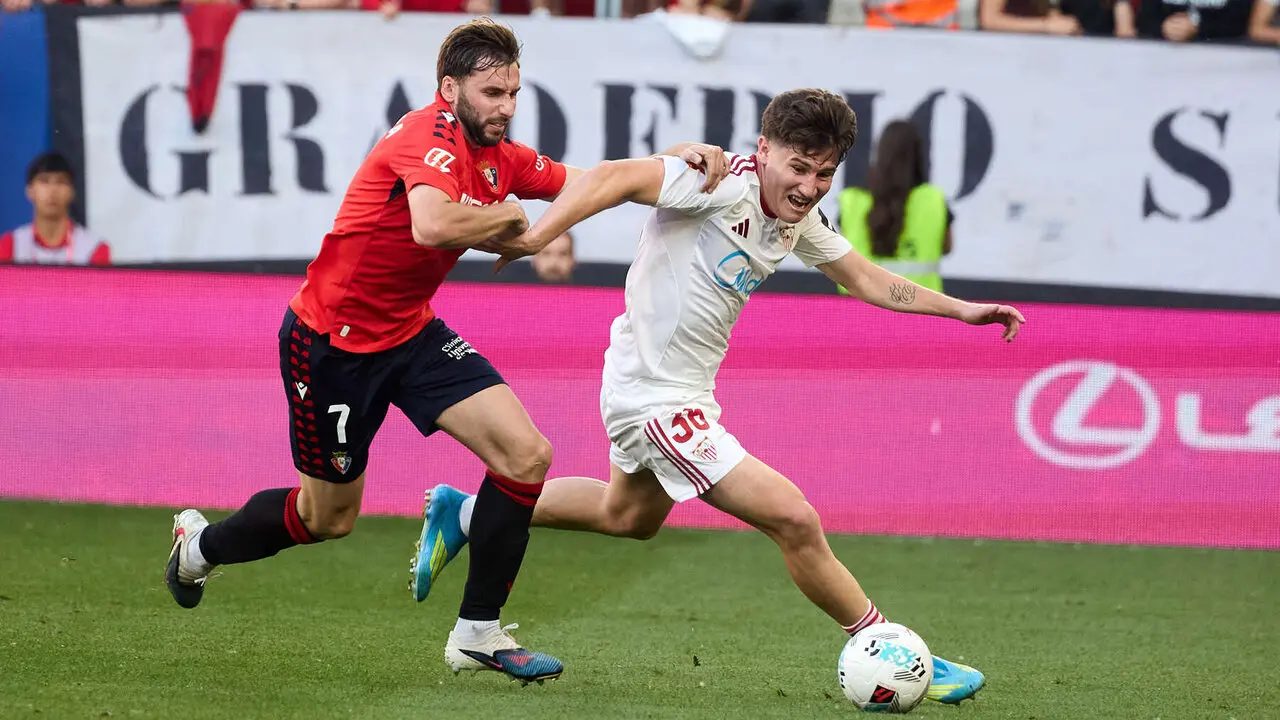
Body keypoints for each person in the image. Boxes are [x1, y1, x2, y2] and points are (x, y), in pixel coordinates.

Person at [164, 17, 728, 685]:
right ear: (450, 88)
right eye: (492, 93)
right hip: (331, 344)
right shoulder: (425, 134)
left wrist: (672, 164)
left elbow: (591, 181)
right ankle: (199, 548)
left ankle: (477, 632)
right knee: (327, 518)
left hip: (411, 332)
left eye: (513, 93)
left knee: (526, 455)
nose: (506, 107)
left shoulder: (501, 156)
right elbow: (431, 224)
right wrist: (509, 221)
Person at [414, 89, 1025, 703]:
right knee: (794, 518)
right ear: (764, 150)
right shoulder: (716, 181)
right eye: (798, 167)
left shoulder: (798, 219)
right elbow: (612, 177)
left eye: (824, 174)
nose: (809, 187)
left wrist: (963, 309)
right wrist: (537, 237)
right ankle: (891, 648)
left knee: (626, 517)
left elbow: (867, 279)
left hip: (676, 390)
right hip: (654, 398)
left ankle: (464, 513)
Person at [836, 120, 950, 295]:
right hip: (920, 304)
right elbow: (946, 247)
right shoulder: (933, 199)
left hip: (859, 305)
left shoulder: (852, 200)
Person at [1, 152, 111, 267]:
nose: (52, 190)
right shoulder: (11, 246)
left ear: (72, 192)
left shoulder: (94, 249)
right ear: (29, 191)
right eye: (44, 181)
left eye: (61, 182)